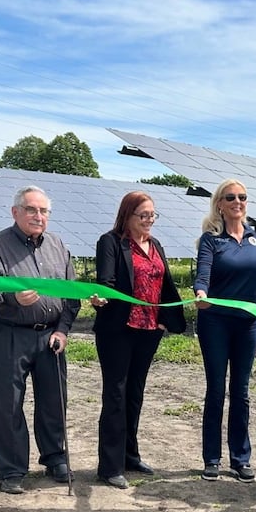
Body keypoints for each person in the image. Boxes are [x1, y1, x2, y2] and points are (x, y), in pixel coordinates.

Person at [0, 185, 81, 495]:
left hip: (50, 334)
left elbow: (71, 294)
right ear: (16, 212)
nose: (38, 216)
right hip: (8, 334)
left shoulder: (58, 245)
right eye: (31, 210)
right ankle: (12, 469)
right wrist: (12, 298)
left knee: (53, 401)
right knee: (7, 404)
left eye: (43, 211)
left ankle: (55, 458)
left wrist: (62, 329)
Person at [91, 191, 186, 489]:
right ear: (127, 216)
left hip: (148, 330)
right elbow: (106, 283)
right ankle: (110, 465)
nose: (148, 221)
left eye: (152, 215)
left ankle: (130, 455)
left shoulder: (155, 244)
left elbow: (164, 283)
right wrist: (99, 299)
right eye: (142, 216)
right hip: (118, 330)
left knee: (135, 393)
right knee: (116, 395)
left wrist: (162, 321)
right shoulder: (111, 242)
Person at [193, 179, 256, 483]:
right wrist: (200, 294)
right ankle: (212, 458)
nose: (238, 201)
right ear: (219, 204)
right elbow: (203, 276)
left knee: (242, 392)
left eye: (243, 197)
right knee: (216, 390)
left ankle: (240, 458)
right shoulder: (211, 240)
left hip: (248, 323)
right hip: (216, 323)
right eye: (230, 197)